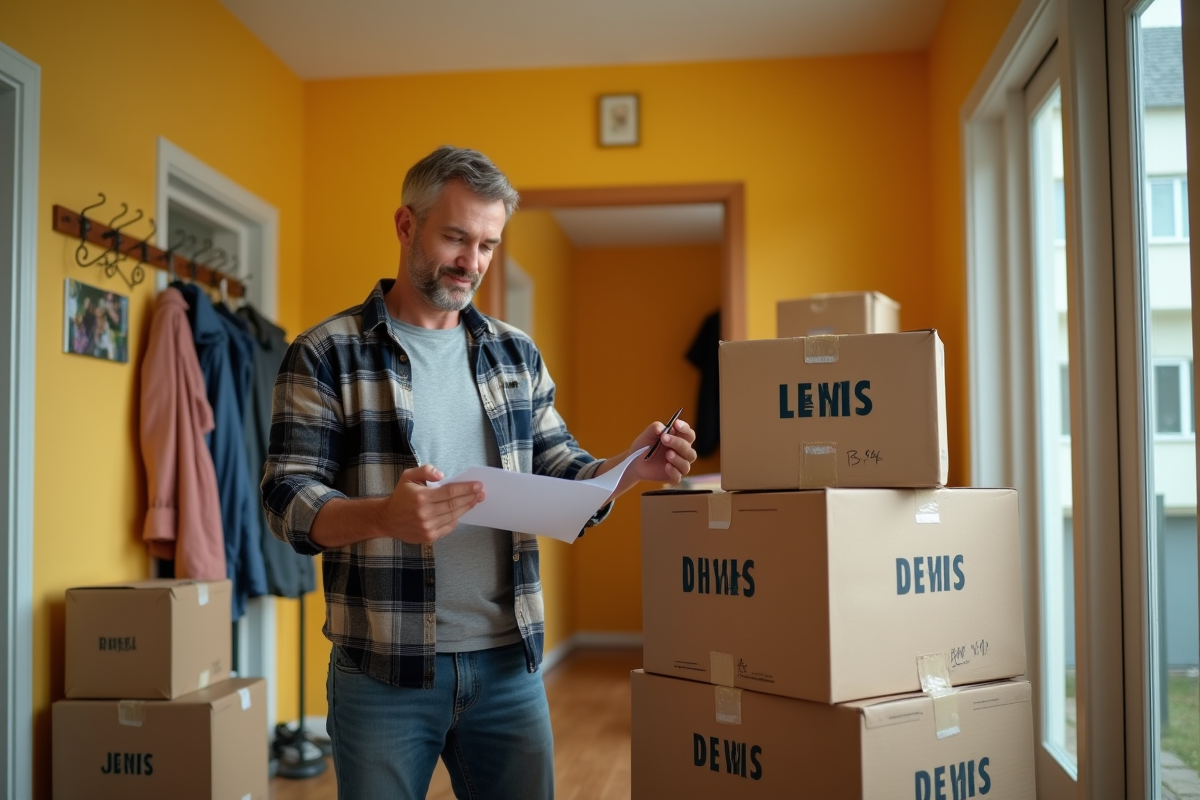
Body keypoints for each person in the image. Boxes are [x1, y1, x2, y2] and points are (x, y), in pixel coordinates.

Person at [261, 145, 697, 800]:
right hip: (382, 671)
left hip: (509, 668)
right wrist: (385, 515)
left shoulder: (514, 353)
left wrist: (629, 467)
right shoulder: (325, 353)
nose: (472, 263)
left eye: (488, 245)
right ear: (406, 226)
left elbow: (561, 468)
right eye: (456, 237)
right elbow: (284, 497)